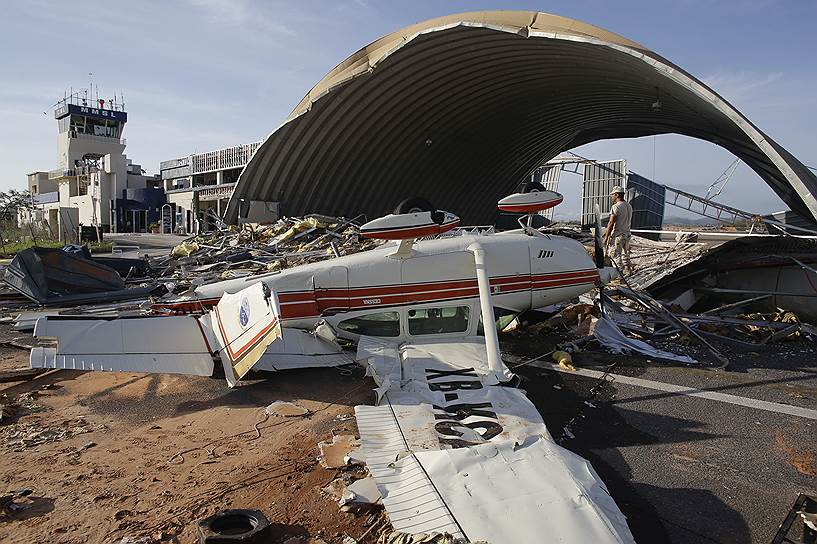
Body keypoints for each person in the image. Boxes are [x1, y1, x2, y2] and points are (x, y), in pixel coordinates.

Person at [603, 185, 633, 274]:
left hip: (618, 235)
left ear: (616, 195)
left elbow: (611, 223)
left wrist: (606, 237)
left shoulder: (616, 206)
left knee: (615, 255)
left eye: (612, 195)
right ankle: (628, 271)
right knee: (625, 254)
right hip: (627, 234)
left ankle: (619, 276)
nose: (611, 197)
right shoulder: (629, 205)